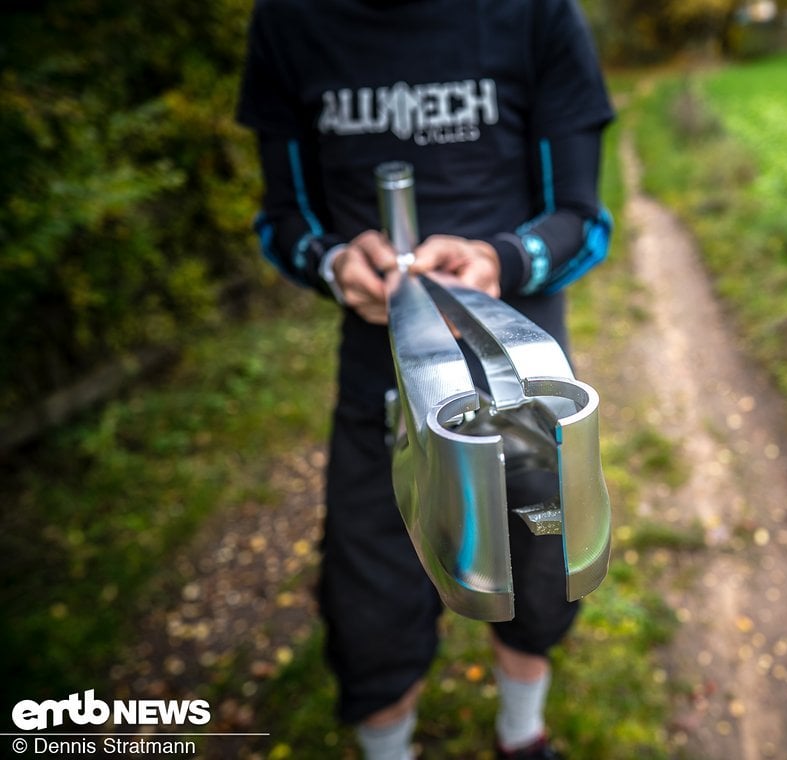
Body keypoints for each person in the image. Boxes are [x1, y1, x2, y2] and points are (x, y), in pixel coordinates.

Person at [236, 1, 614, 758]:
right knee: (369, 600)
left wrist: (499, 261)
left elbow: (581, 217)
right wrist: (334, 262)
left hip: (519, 381)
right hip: (382, 384)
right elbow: (284, 218)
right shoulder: (289, 20)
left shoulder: (534, 13)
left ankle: (521, 734)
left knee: (540, 576)